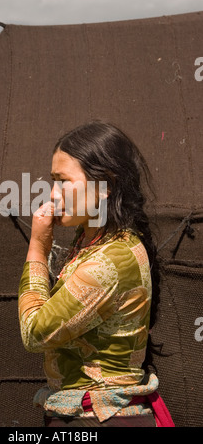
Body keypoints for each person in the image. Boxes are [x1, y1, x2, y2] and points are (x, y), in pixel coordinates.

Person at [18, 120, 175, 427]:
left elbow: (35, 333)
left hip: (100, 419)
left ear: (107, 186)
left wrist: (36, 248)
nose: (53, 194)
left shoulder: (110, 261)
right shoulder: (92, 241)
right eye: (53, 181)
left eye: (63, 182)